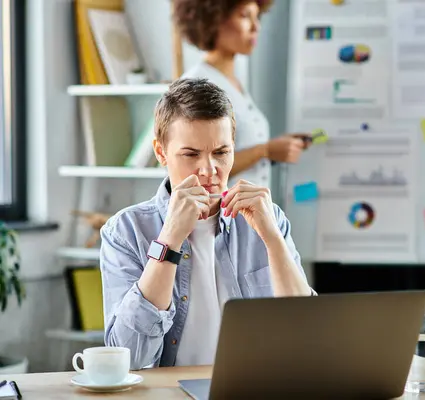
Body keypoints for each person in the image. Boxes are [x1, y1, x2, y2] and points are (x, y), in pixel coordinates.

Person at [99, 78, 315, 370]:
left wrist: (272, 240)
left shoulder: (269, 218)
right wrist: (169, 238)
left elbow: (306, 332)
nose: (209, 170)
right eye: (191, 154)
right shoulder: (125, 231)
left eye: (221, 153)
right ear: (161, 152)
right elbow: (128, 357)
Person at [172, 0, 311, 189]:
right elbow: (191, 169)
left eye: (257, 17)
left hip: (249, 212)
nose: (256, 27)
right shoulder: (196, 84)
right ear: (214, 20)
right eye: (245, 16)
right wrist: (264, 150)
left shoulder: (233, 82)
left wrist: (273, 149)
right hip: (220, 214)